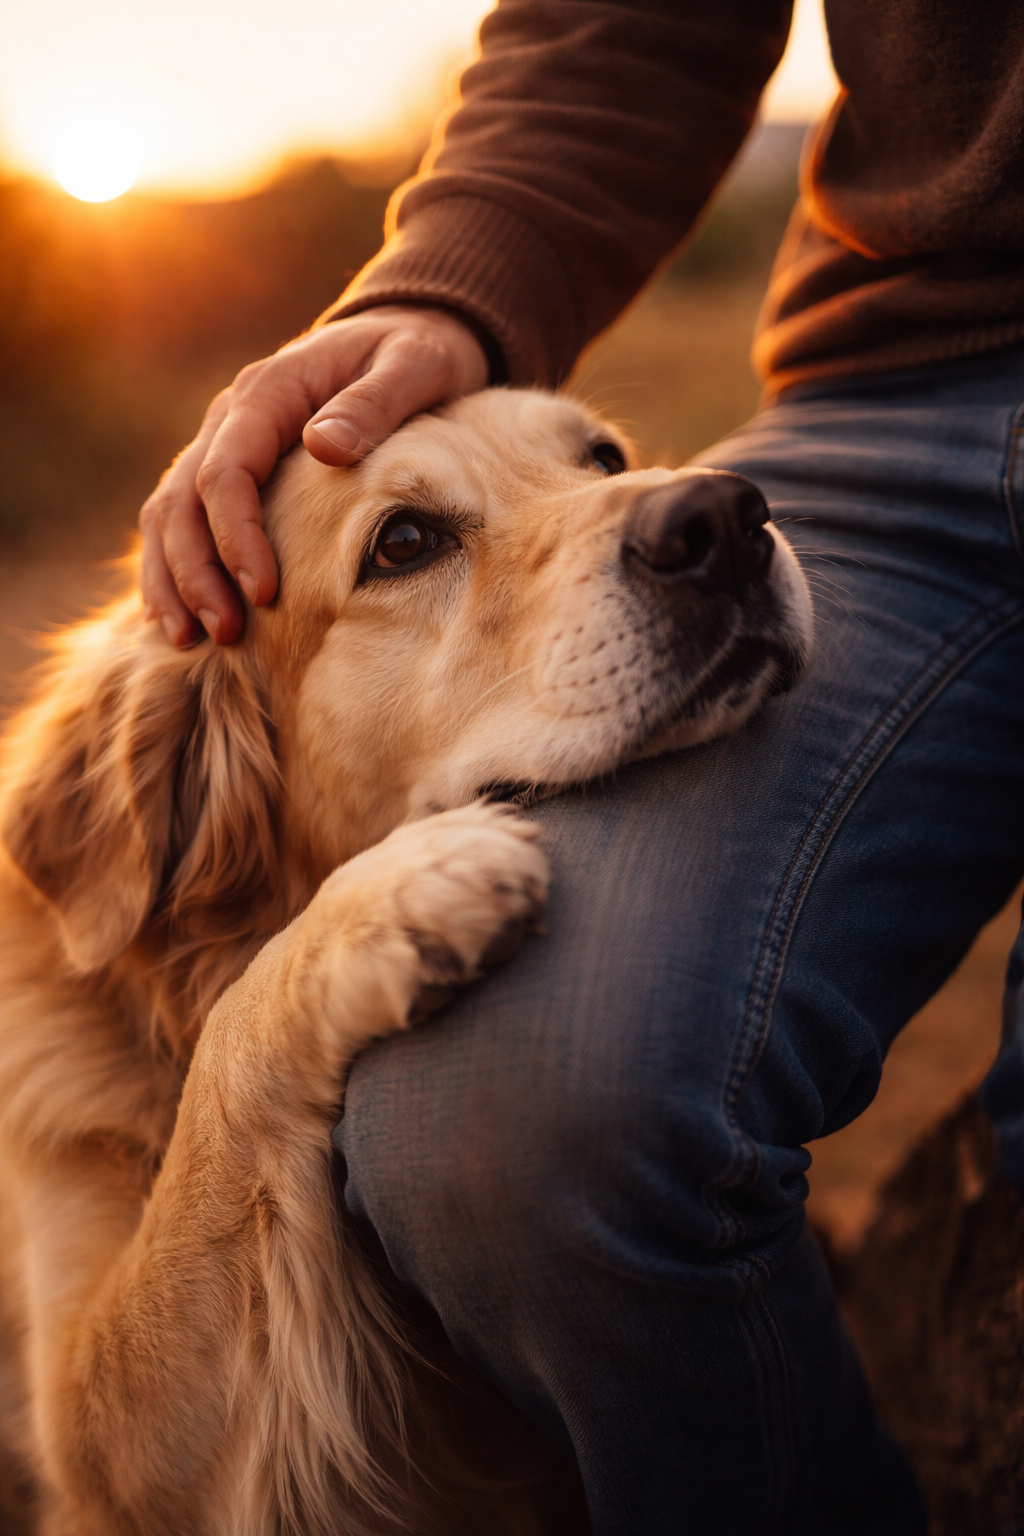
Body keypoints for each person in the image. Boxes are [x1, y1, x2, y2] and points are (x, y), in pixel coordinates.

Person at [139, 3, 1024, 1530]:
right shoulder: (175, 795)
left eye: (597, 459)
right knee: (503, 1117)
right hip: (912, 368)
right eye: (410, 543)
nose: (677, 511)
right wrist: (453, 287)